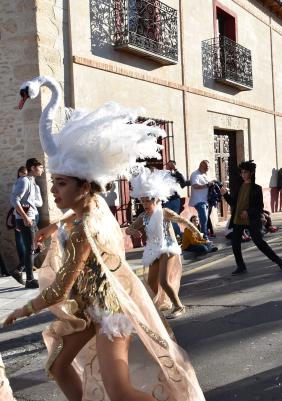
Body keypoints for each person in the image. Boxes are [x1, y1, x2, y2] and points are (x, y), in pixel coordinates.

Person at [9, 76, 205, 400]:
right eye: (53, 182)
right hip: (88, 308)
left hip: (109, 311)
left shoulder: (84, 230)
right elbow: (79, 213)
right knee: (58, 367)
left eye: (60, 184)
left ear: (83, 186)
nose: (53, 191)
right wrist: (54, 226)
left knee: (121, 392)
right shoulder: (96, 204)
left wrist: (22, 311)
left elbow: (59, 288)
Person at [126, 167, 203, 318]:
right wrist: (133, 231)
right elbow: (129, 229)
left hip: (168, 249)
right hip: (153, 250)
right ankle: (151, 310)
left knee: (164, 281)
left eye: (148, 201)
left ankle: (179, 306)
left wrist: (197, 231)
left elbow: (184, 221)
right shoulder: (143, 216)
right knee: (151, 283)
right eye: (143, 201)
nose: (145, 204)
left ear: (156, 199)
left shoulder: (164, 212)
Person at [220, 160, 282, 275]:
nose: (243, 174)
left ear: (251, 173)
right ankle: (241, 267)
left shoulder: (256, 188)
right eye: (242, 172)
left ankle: (279, 261)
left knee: (259, 242)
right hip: (238, 220)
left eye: (245, 172)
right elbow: (234, 203)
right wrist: (225, 194)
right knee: (235, 244)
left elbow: (259, 207)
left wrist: (248, 211)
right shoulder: (239, 187)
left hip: (252, 220)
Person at [9, 157, 44, 288]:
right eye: (40, 167)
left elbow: (34, 201)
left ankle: (18, 270)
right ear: (33, 168)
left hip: (31, 217)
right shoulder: (24, 180)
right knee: (30, 248)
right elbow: (14, 199)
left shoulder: (32, 182)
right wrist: (24, 217)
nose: (42, 169)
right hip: (26, 219)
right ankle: (30, 280)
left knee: (38, 247)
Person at [10, 166, 28, 278]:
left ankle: (25, 265)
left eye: (25, 172)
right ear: (19, 173)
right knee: (21, 242)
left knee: (26, 243)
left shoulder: (23, 182)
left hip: (22, 213)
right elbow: (15, 200)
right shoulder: (19, 183)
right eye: (22, 172)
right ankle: (23, 265)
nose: (24, 174)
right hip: (20, 214)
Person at [164, 160, 189, 237]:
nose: (169, 167)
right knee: (167, 220)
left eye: (171, 165)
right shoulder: (163, 174)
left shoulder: (175, 175)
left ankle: (180, 235)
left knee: (174, 219)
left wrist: (175, 169)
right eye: (168, 165)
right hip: (166, 201)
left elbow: (183, 183)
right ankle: (176, 236)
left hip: (175, 200)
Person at [189, 160, 213, 237]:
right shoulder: (195, 174)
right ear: (201, 166)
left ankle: (202, 234)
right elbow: (195, 185)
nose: (207, 169)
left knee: (205, 218)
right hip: (198, 200)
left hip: (205, 200)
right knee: (204, 218)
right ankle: (204, 236)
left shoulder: (205, 174)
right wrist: (206, 185)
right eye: (206, 167)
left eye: (208, 167)